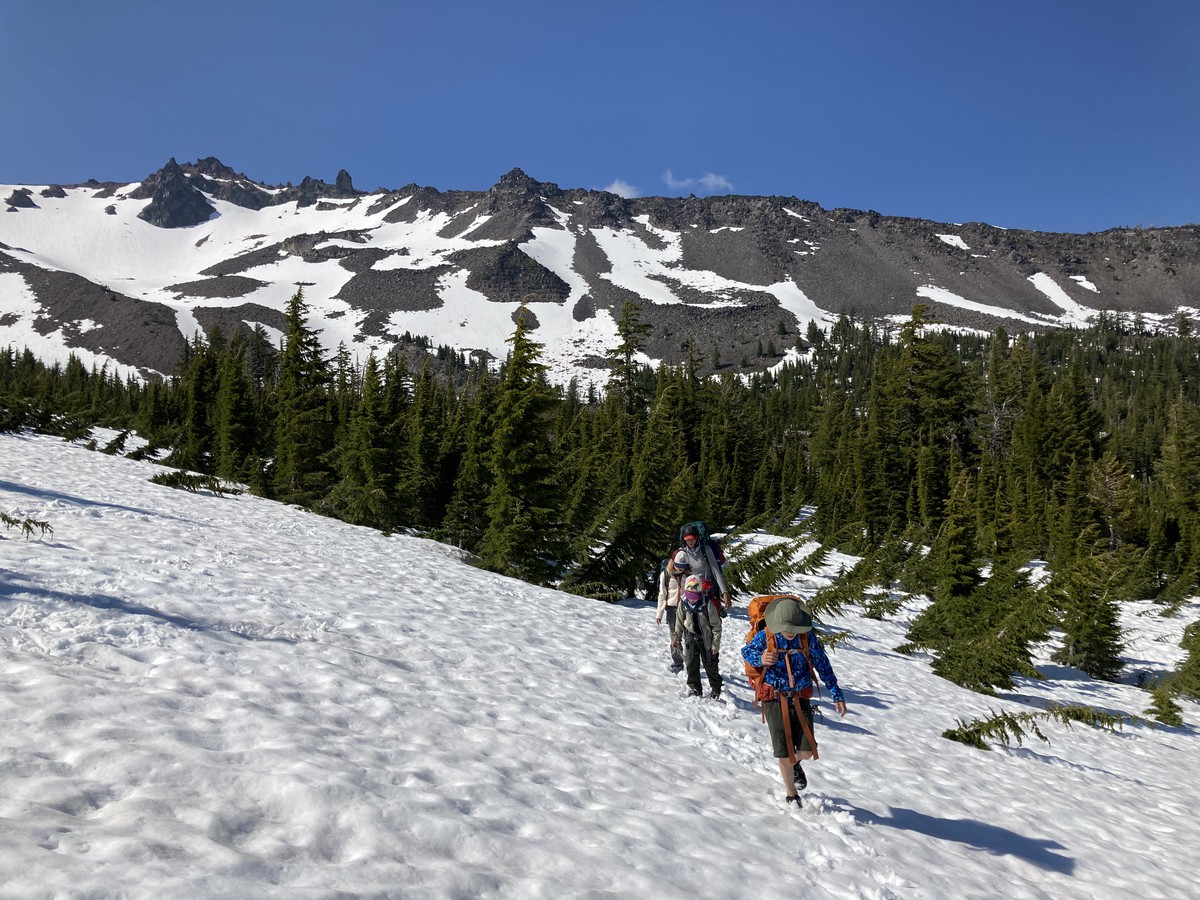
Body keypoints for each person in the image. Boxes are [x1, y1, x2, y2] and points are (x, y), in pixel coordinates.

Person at [740, 597, 847, 806]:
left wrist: (836, 692)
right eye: (786, 628)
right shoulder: (766, 635)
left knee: (807, 751)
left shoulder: (807, 637)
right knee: (783, 753)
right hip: (774, 699)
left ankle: (795, 763)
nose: (790, 632)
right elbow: (747, 652)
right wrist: (761, 658)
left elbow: (822, 664)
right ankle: (791, 794)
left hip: (800, 698)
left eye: (794, 628)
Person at [672, 574, 724, 698]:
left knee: (710, 664)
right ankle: (695, 687)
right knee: (691, 664)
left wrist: (715, 644)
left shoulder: (707, 604)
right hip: (691, 637)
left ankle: (716, 687)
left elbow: (716, 626)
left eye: (695, 597)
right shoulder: (683, 603)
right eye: (690, 596)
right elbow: (679, 622)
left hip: (706, 639)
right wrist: (676, 638)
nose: (692, 600)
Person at [678, 523, 731, 615]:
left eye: (692, 539)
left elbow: (716, 572)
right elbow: (683, 576)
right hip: (692, 591)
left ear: (697, 538)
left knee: (711, 617)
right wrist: (682, 596)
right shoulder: (682, 553)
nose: (690, 541)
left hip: (708, 590)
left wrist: (724, 592)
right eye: (688, 539)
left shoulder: (705, 550)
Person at [655, 553, 687, 672]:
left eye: (683, 566)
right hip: (672, 609)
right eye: (679, 566)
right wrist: (659, 613)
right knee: (675, 637)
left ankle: (691, 661)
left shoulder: (688, 574)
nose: (681, 569)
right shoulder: (665, 574)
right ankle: (678, 662)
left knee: (689, 636)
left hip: (686, 609)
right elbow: (662, 594)